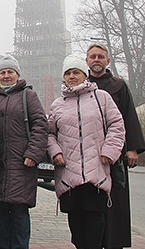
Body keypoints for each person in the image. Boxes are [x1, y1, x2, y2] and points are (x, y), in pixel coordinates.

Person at [48, 55, 126, 249]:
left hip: (96, 171)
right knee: (76, 223)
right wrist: (55, 152)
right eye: (68, 73)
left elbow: (117, 125)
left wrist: (110, 151)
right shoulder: (58, 104)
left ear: (85, 75)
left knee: (95, 221)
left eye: (76, 72)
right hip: (68, 172)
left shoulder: (102, 98)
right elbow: (49, 134)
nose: (72, 76)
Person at [85, 43, 145, 249]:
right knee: (91, 204)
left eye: (100, 57)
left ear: (107, 61)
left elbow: (129, 116)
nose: (96, 60)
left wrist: (132, 148)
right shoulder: (81, 85)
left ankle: (114, 243)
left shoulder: (119, 85)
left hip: (115, 155)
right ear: (87, 61)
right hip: (89, 155)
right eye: (92, 56)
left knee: (116, 203)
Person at [0, 55, 47, 249]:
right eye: (2, 72)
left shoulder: (27, 96)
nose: (6, 76)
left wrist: (33, 154)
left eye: (10, 72)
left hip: (22, 163)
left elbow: (40, 124)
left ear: (17, 74)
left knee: (19, 211)